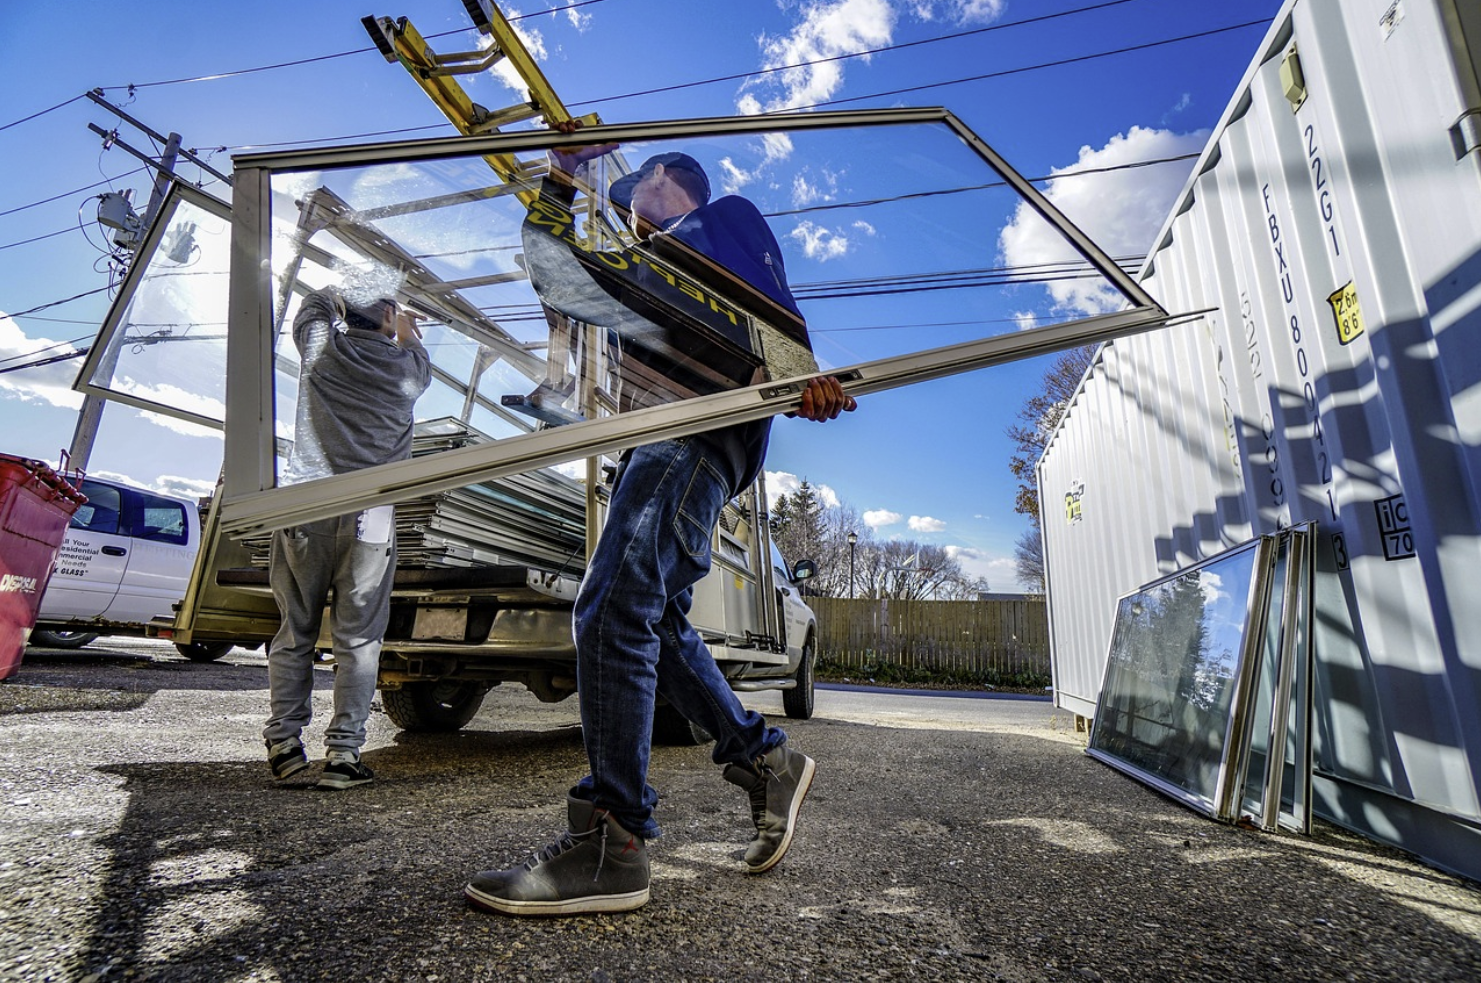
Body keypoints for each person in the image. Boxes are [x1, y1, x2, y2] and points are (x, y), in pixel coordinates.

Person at [465, 128, 857, 915]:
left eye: (635, 186)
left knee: (611, 608)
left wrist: (795, 377)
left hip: (695, 434)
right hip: (653, 445)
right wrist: (558, 181)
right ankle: (762, 758)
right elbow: (550, 266)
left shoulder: (716, 225)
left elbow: (770, 301)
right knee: (655, 620)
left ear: (670, 180)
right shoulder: (632, 274)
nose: (629, 206)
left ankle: (615, 837)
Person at [263, 287, 431, 790]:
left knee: (296, 630)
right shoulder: (407, 370)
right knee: (358, 641)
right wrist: (402, 327)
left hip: (306, 507)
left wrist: (345, 294)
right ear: (386, 317)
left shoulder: (322, 349)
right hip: (370, 518)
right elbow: (415, 348)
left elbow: (314, 305)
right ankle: (342, 756)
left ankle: (285, 746)